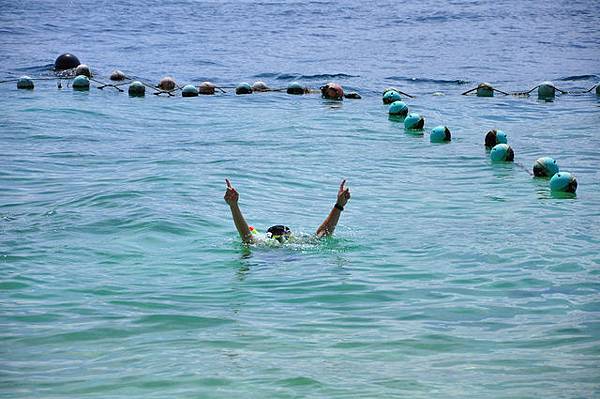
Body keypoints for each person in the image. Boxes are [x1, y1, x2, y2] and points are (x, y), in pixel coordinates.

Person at [224, 178, 351, 243]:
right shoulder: (298, 244)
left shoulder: (263, 246)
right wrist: (339, 205)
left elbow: (247, 237)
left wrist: (233, 206)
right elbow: (324, 233)